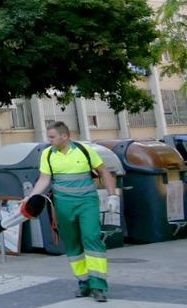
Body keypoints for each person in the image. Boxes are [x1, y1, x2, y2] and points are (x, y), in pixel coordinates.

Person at [24, 122, 120, 303]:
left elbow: (103, 171)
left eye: (52, 137)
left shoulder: (84, 150)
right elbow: (44, 179)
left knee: (91, 238)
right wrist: (31, 197)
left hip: (87, 203)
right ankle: (84, 282)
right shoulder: (47, 154)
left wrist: (112, 196)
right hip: (63, 205)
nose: (49, 140)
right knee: (72, 244)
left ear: (64, 136)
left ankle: (98, 285)